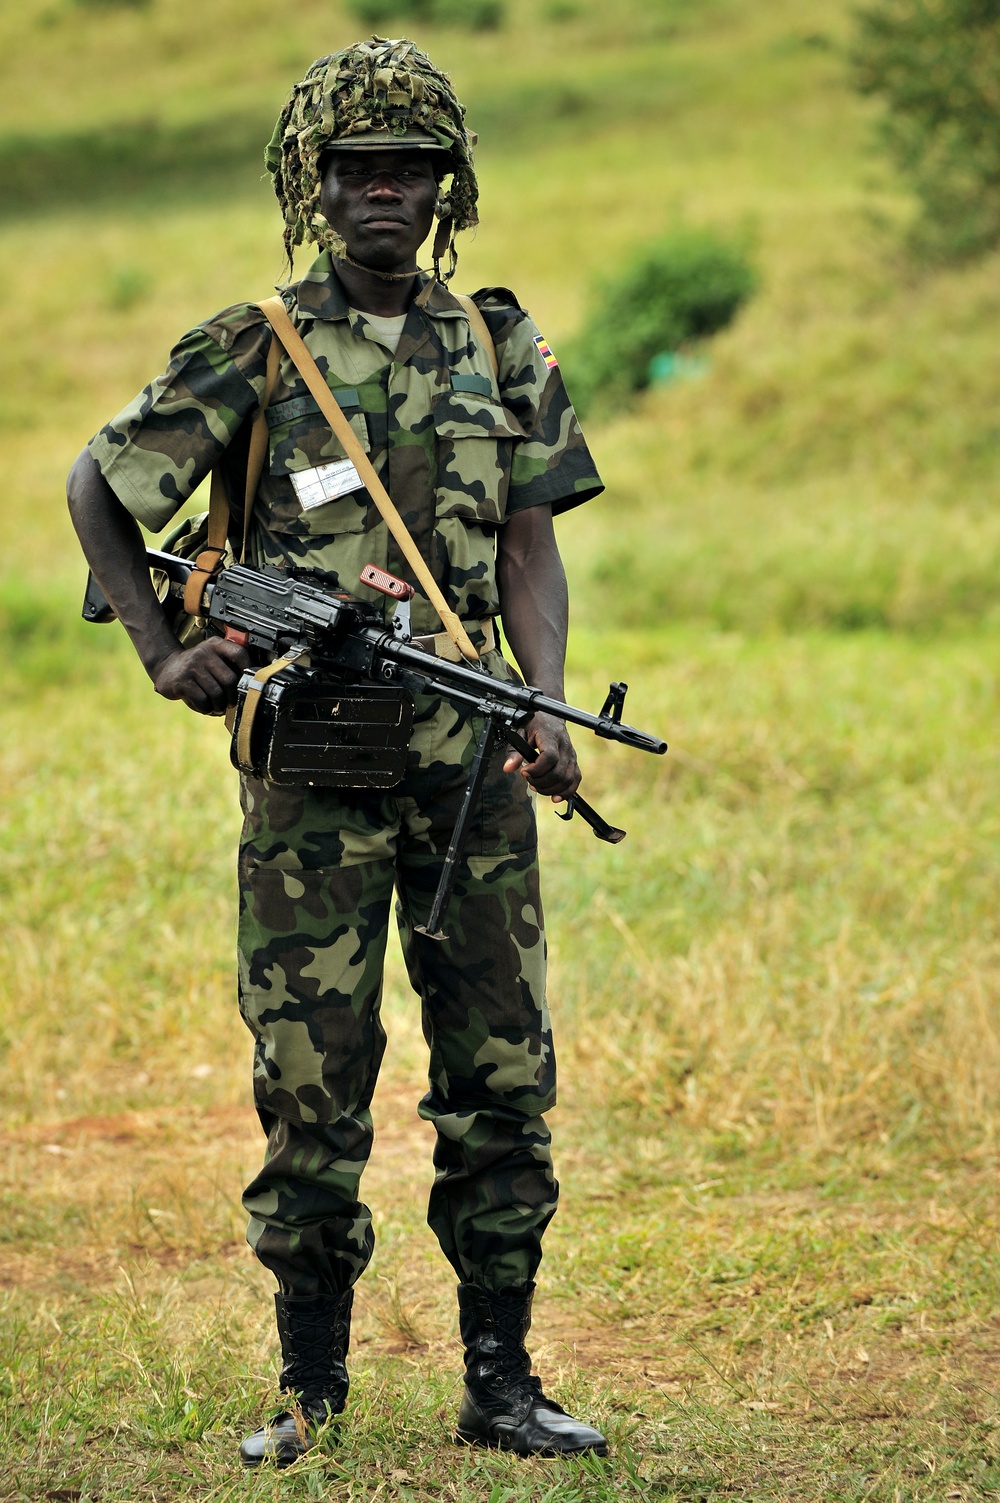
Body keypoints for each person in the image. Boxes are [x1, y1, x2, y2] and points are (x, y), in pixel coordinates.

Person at [67, 36, 607, 1467]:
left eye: (411, 168)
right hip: (313, 779)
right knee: (314, 1083)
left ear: (448, 186)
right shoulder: (254, 343)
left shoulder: (497, 340)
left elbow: (534, 543)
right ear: (315, 182)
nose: (387, 191)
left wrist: (545, 705)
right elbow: (98, 487)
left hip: (474, 772)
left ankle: (501, 1383)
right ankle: (311, 1393)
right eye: (359, 168)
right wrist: (162, 653)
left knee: (502, 1077)